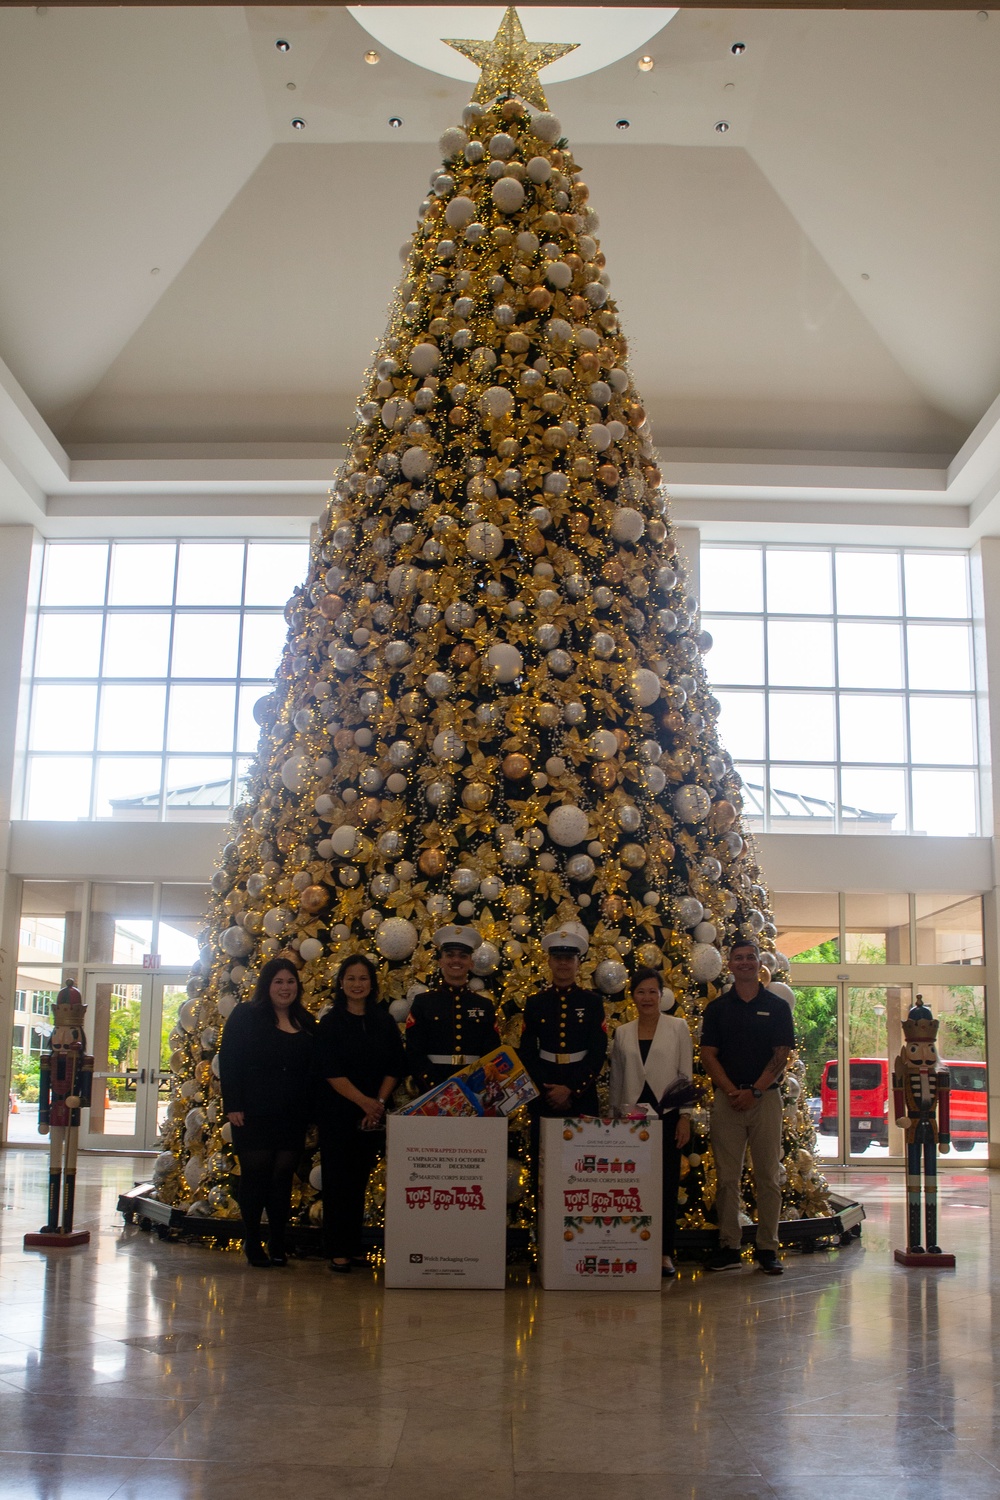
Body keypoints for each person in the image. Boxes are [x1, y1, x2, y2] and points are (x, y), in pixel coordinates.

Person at [700, 938, 794, 1276]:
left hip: (765, 1101)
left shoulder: (777, 1006)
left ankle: (768, 1247)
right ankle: (729, 1247)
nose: (744, 963)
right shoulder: (718, 1009)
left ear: (759, 963)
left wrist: (754, 1091)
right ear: (730, 964)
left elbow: (781, 1053)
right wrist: (731, 1091)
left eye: (750, 957)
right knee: (727, 1178)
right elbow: (708, 1054)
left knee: (768, 1176)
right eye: (738, 958)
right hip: (727, 1101)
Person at [218, 957, 316, 1268]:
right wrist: (232, 1104)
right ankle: (251, 1238)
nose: (285, 988)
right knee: (256, 1176)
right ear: (267, 985)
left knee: (282, 1177)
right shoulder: (247, 1015)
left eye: (290, 982)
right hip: (252, 1110)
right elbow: (229, 1058)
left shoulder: (305, 1020)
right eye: (279, 982)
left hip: (292, 1111)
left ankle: (277, 1239)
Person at [316, 954, 404, 1274]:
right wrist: (365, 1102)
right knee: (338, 1183)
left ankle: (352, 1247)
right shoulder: (330, 1022)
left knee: (360, 1183)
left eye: (363, 978)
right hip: (339, 1113)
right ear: (341, 983)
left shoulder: (382, 1020)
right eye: (350, 978)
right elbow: (330, 1070)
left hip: (374, 1116)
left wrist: (377, 1103)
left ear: (372, 983)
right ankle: (337, 1250)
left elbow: (396, 1065)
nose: (357, 984)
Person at [609, 968, 693, 1278]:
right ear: (633, 996)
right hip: (631, 1121)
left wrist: (685, 1116)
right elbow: (617, 1078)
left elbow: (685, 1074)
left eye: (652, 992)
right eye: (641, 992)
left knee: (667, 1186)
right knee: (633, 1186)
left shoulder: (678, 1027)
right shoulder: (623, 1032)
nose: (647, 997)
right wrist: (614, 1118)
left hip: (668, 1116)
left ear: (662, 995)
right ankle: (632, 1247)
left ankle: (664, 1253)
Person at [520, 925, 608, 1167]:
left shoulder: (591, 1002)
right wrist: (548, 1090)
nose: (563, 964)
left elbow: (598, 1050)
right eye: (558, 958)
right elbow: (527, 1051)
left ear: (578, 963)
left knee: (583, 1163)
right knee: (544, 1161)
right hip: (544, 1092)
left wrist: (571, 1089)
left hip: (581, 1092)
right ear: (549, 961)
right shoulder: (536, 1003)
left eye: (569, 958)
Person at [405, 926, 499, 1093]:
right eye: (450, 955)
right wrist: (436, 1087)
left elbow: (491, 1053)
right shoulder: (423, 1003)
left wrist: (476, 1086)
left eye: (463, 956)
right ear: (440, 961)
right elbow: (414, 1053)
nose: (456, 961)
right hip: (433, 1089)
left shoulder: (485, 1006)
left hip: (475, 1089)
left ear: (471, 963)